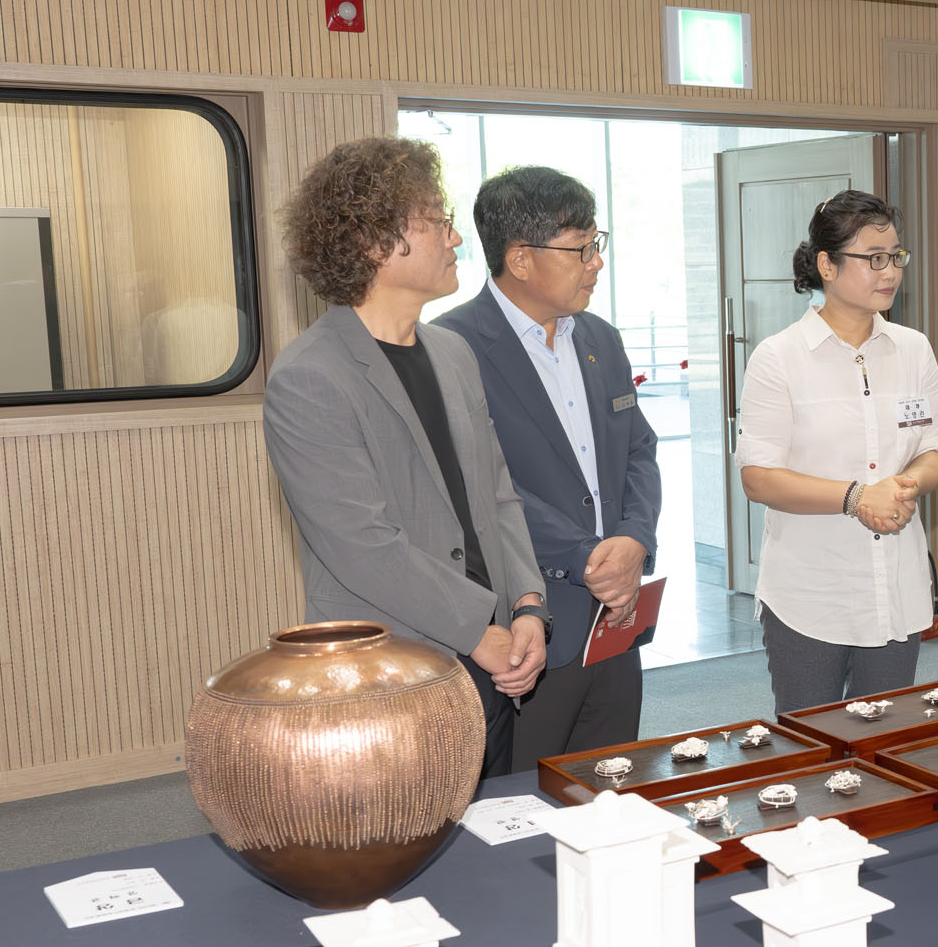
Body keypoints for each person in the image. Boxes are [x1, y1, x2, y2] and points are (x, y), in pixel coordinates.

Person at [263, 137, 550, 779]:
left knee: (494, 823)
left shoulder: (452, 352)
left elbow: (497, 494)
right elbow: (362, 546)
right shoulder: (310, 375)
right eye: (439, 221)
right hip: (390, 666)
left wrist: (528, 603)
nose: (456, 238)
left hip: (492, 655)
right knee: (403, 831)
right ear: (375, 242)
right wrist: (479, 632)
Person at [436, 166, 660, 768]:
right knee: (523, 803)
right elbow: (477, 487)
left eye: (596, 244)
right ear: (520, 258)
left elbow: (638, 450)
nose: (596, 262)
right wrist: (586, 555)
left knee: (611, 786)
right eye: (580, 248)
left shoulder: (600, 339)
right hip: (526, 627)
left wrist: (634, 540)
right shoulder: (451, 348)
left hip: (615, 616)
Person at [734, 190, 938, 713]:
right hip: (810, 594)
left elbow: (936, 448)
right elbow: (759, 477)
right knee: (813, 742)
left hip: (896, 588)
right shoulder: (779, 357)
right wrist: (858, 497)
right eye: (873, 258)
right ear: (826, 265)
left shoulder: (913, 348)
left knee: (885, 738)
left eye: (895, 256)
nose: (890, 271)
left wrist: (904, 485)